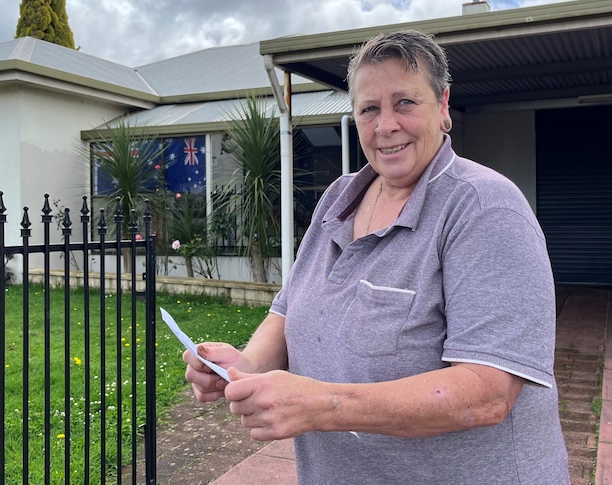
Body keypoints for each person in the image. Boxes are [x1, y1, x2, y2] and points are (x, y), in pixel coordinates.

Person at [183, 29, 569, 484]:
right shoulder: (338, 198)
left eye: (404, 102)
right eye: (369, 108)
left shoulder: (485, 208)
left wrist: (318, 404)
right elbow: (288, 313)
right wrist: (245, 366)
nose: (385, 125)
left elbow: (487, 393)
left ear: (443, 105)